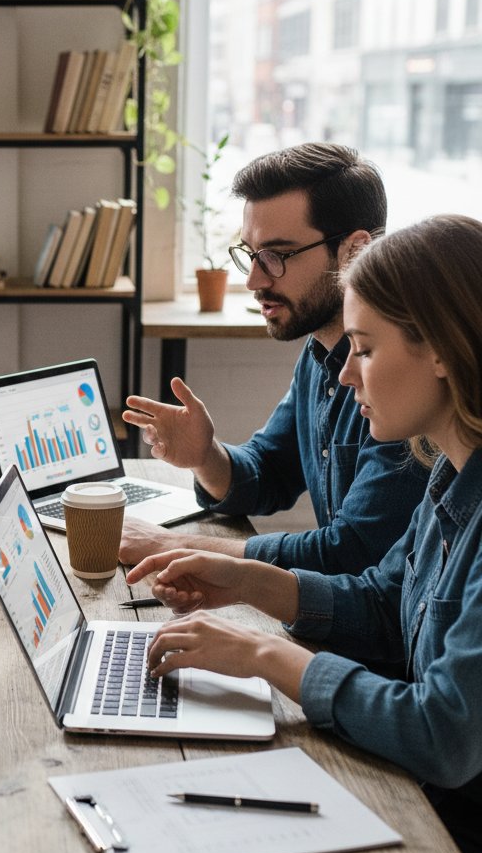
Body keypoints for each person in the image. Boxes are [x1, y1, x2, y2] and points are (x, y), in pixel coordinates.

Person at [137, 215, 482, 853]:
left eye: (366, 349)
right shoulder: (450, 470)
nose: (347, 376)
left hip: (456, 845)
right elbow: (386, 602)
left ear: (440, 348)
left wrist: (263, 654)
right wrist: (245, 583)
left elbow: (442, 736)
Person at [121, 142, 428, 575]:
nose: (253, 280)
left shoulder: (403, 379)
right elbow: (269, 473)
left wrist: (174, 545)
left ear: (355, 250)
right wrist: (205, 456)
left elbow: (353, 552)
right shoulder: (319, 350)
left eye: (277, 256)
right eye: (251, 253)